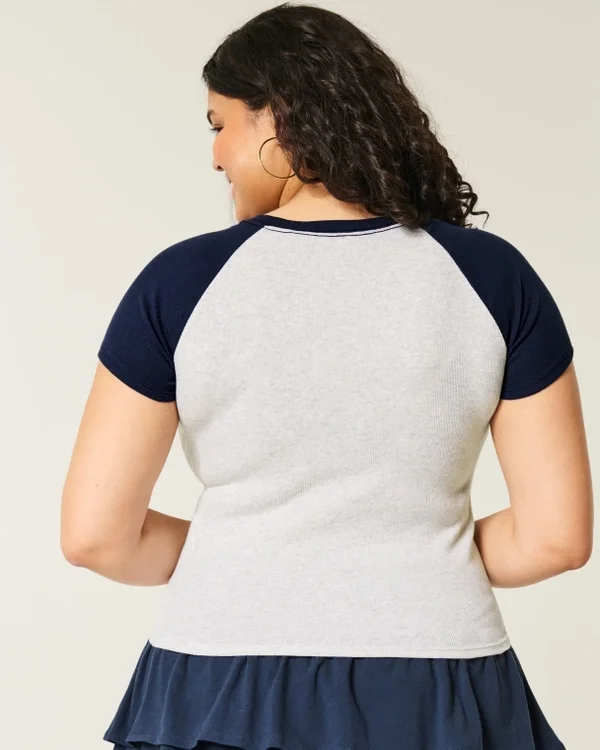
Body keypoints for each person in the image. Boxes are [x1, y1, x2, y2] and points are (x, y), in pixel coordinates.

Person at [60, 3, 593, 750]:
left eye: (219, 124)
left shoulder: (180, 283)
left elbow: (96, 537)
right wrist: (408, 550)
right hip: (439, 679)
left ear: (278, 118)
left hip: (216, 678)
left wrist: (251, 551)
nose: (215, 157)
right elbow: (555, 538)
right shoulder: (492, 278)